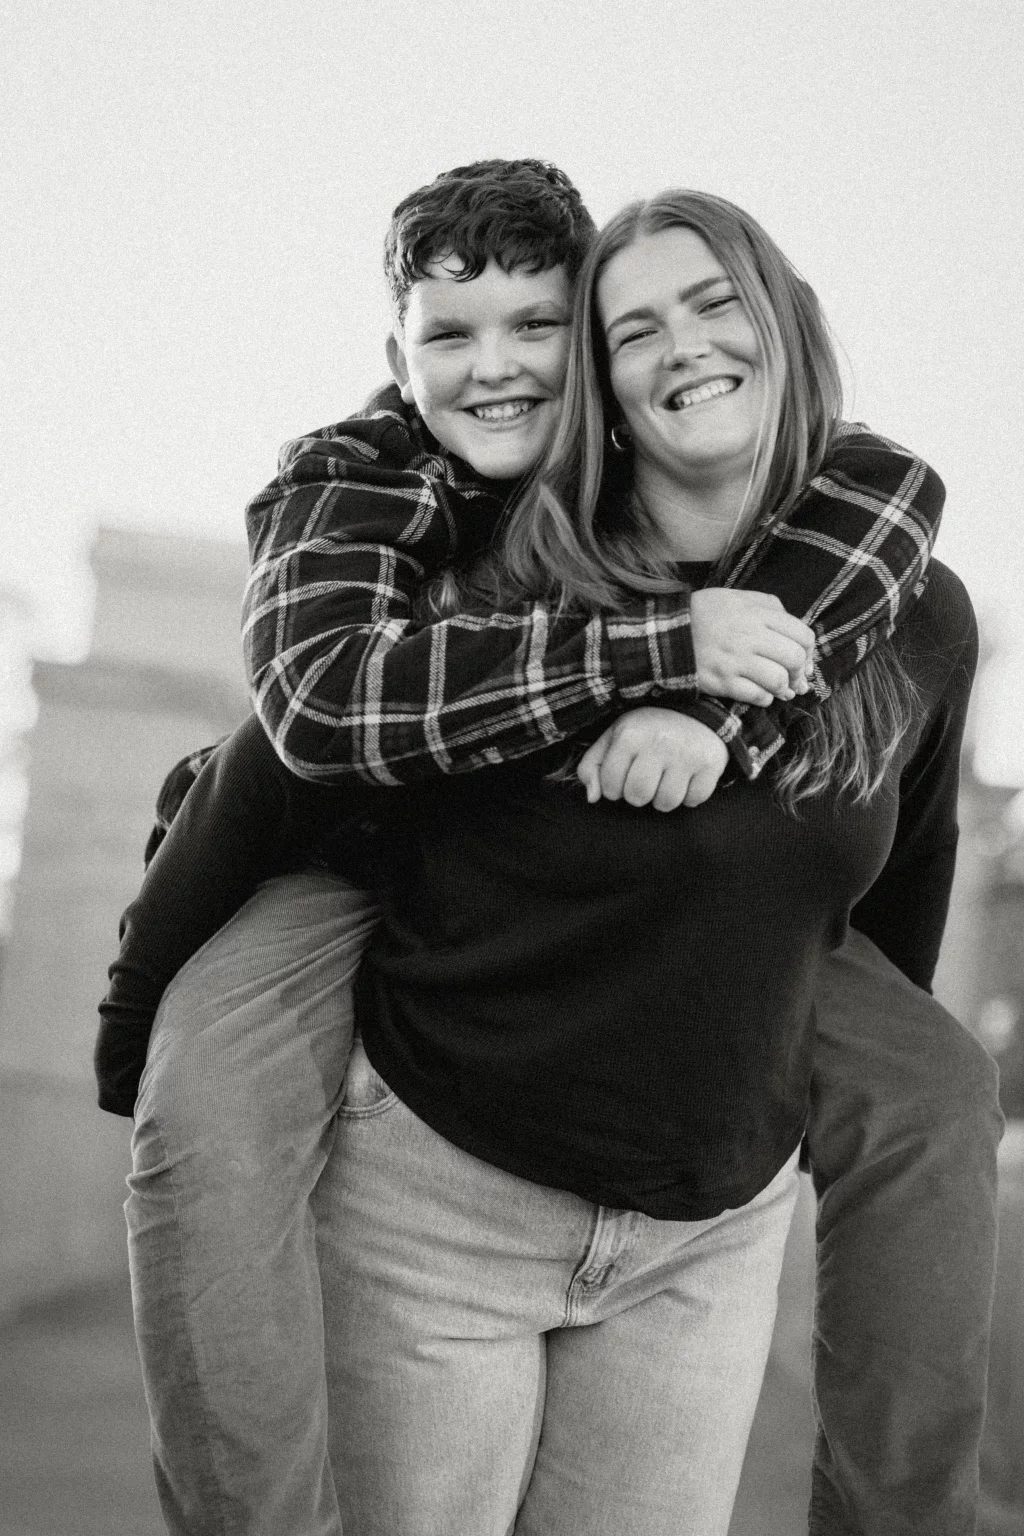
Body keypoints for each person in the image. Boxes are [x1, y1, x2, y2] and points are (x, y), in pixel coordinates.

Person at [95, 164, 999, 1535]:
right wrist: (140, 985)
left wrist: (796, 1028)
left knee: (934, 1075)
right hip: (381, 979)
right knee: (203, 1097)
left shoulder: (883, 571)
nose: (500, 370)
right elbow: (299, 742)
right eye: (454, 337)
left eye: (542, 330)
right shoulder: (422, 516)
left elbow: (898, 871)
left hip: (701, 1225)